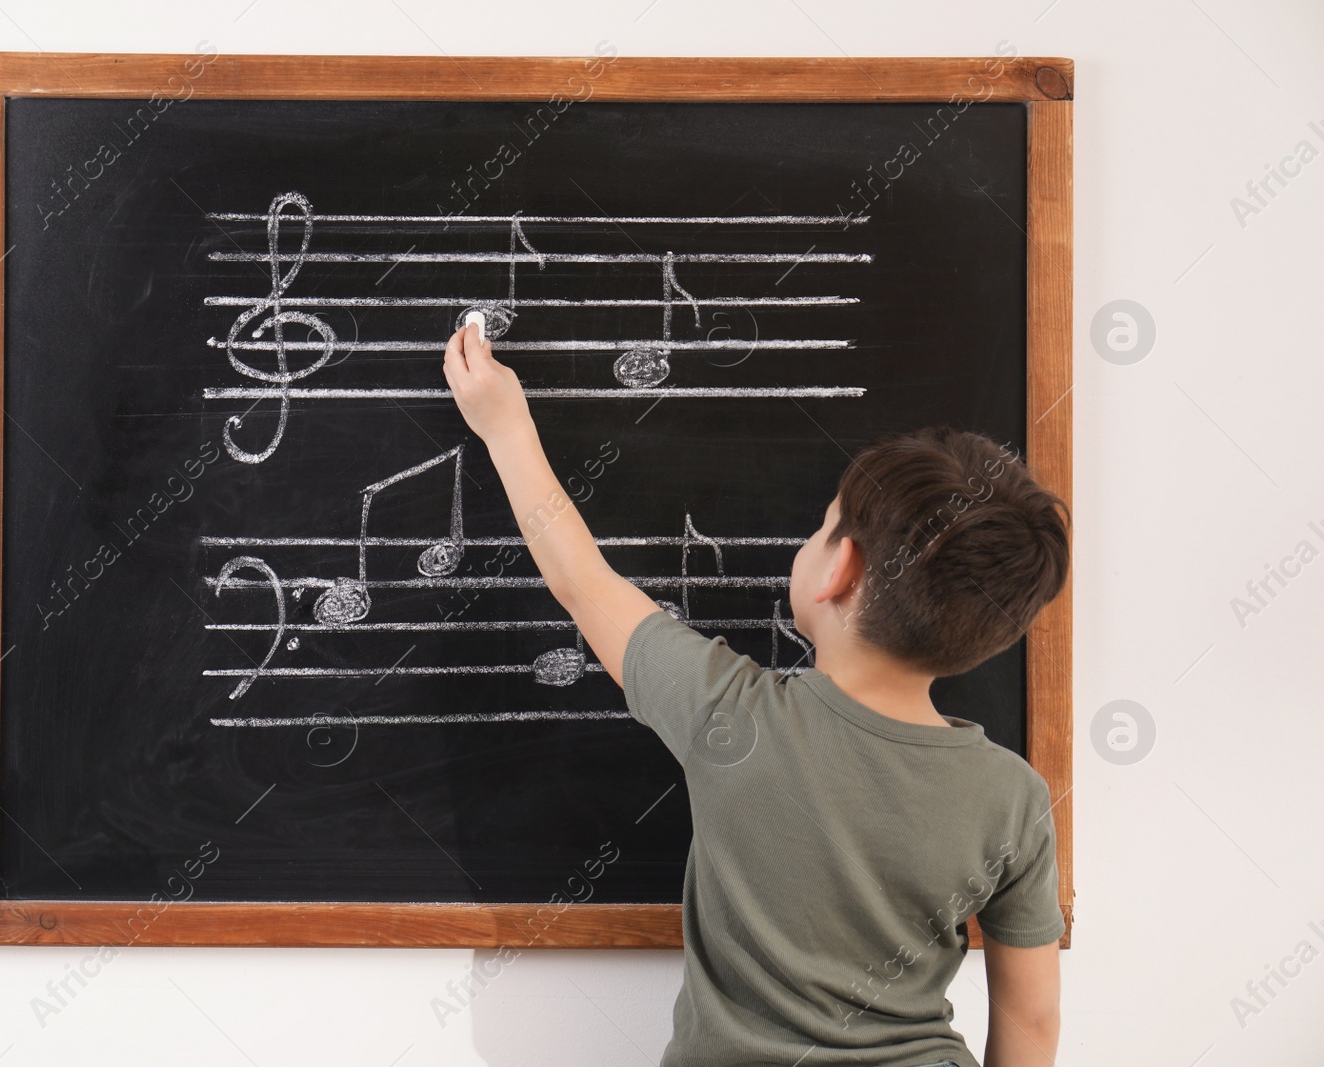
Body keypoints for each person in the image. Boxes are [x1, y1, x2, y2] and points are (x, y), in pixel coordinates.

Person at [443, 322, 1070, 1067]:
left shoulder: (729, 716)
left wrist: (504, 425)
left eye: (822, 526)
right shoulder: (1015, 797)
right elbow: (1031, 1020)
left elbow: (583, 585)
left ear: (842, 571)